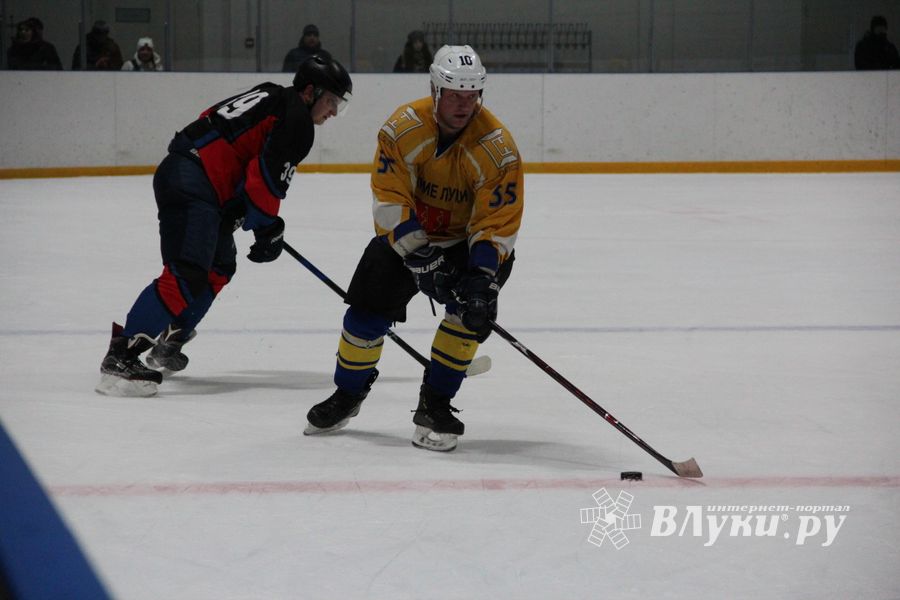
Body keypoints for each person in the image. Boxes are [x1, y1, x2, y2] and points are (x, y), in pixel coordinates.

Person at [304, 45, 524, 452]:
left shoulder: (497, 148)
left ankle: (435, 404)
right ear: (436, 90)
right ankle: (348, 393)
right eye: (454, 95)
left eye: (471, 95)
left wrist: (481, 279)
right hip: (406, 236)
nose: (463, 104)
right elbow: (389, 201)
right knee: (363, 319)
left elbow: (496, 223)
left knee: (466, 317)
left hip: (464, 244)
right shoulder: (402, 129)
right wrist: (422, 258)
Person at [95, 52, 353, 397]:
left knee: (219, 265)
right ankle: (123, 354)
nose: (333, 111)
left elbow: (218, 130)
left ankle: (172, 337)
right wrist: (267, 226)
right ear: (310, 92)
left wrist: (236, 207)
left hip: (192, 176)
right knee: (187, 271)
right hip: (195, 183)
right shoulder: (297, 120)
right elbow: (264, 181)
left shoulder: (272, 94)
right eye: (331, 101)